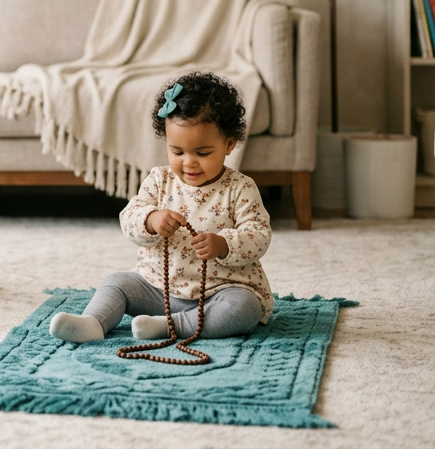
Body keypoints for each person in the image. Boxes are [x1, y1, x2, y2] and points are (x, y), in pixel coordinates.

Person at [50, 72, 272, 343]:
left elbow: (259, 234)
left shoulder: (240, 187)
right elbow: (129, 217)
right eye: (177, 151)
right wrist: (150, 220)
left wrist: (224, 244)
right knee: (116, 282)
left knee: (244, 309)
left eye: (202, 153)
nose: (189, 162)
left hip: (219, 291)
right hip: (158, 289)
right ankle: (93, 323)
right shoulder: (159, 180)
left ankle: (170, 326)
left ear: (229, 144)